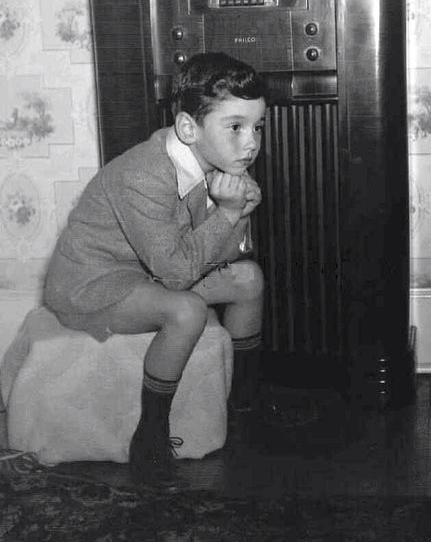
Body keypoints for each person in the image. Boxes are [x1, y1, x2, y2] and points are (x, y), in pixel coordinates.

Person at [43, 52, 267, 487]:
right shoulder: (144, 175)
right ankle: (150, 434)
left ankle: (244, 402)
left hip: (146, 273)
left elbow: (231, 252)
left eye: (257, 126)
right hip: (93, 283)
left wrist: (237, 214)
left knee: (249, 280)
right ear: (189, 128)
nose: (251, 142)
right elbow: (178, 276)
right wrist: (227, 212)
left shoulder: (208, 160)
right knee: (185, 310)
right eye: (235, 127)